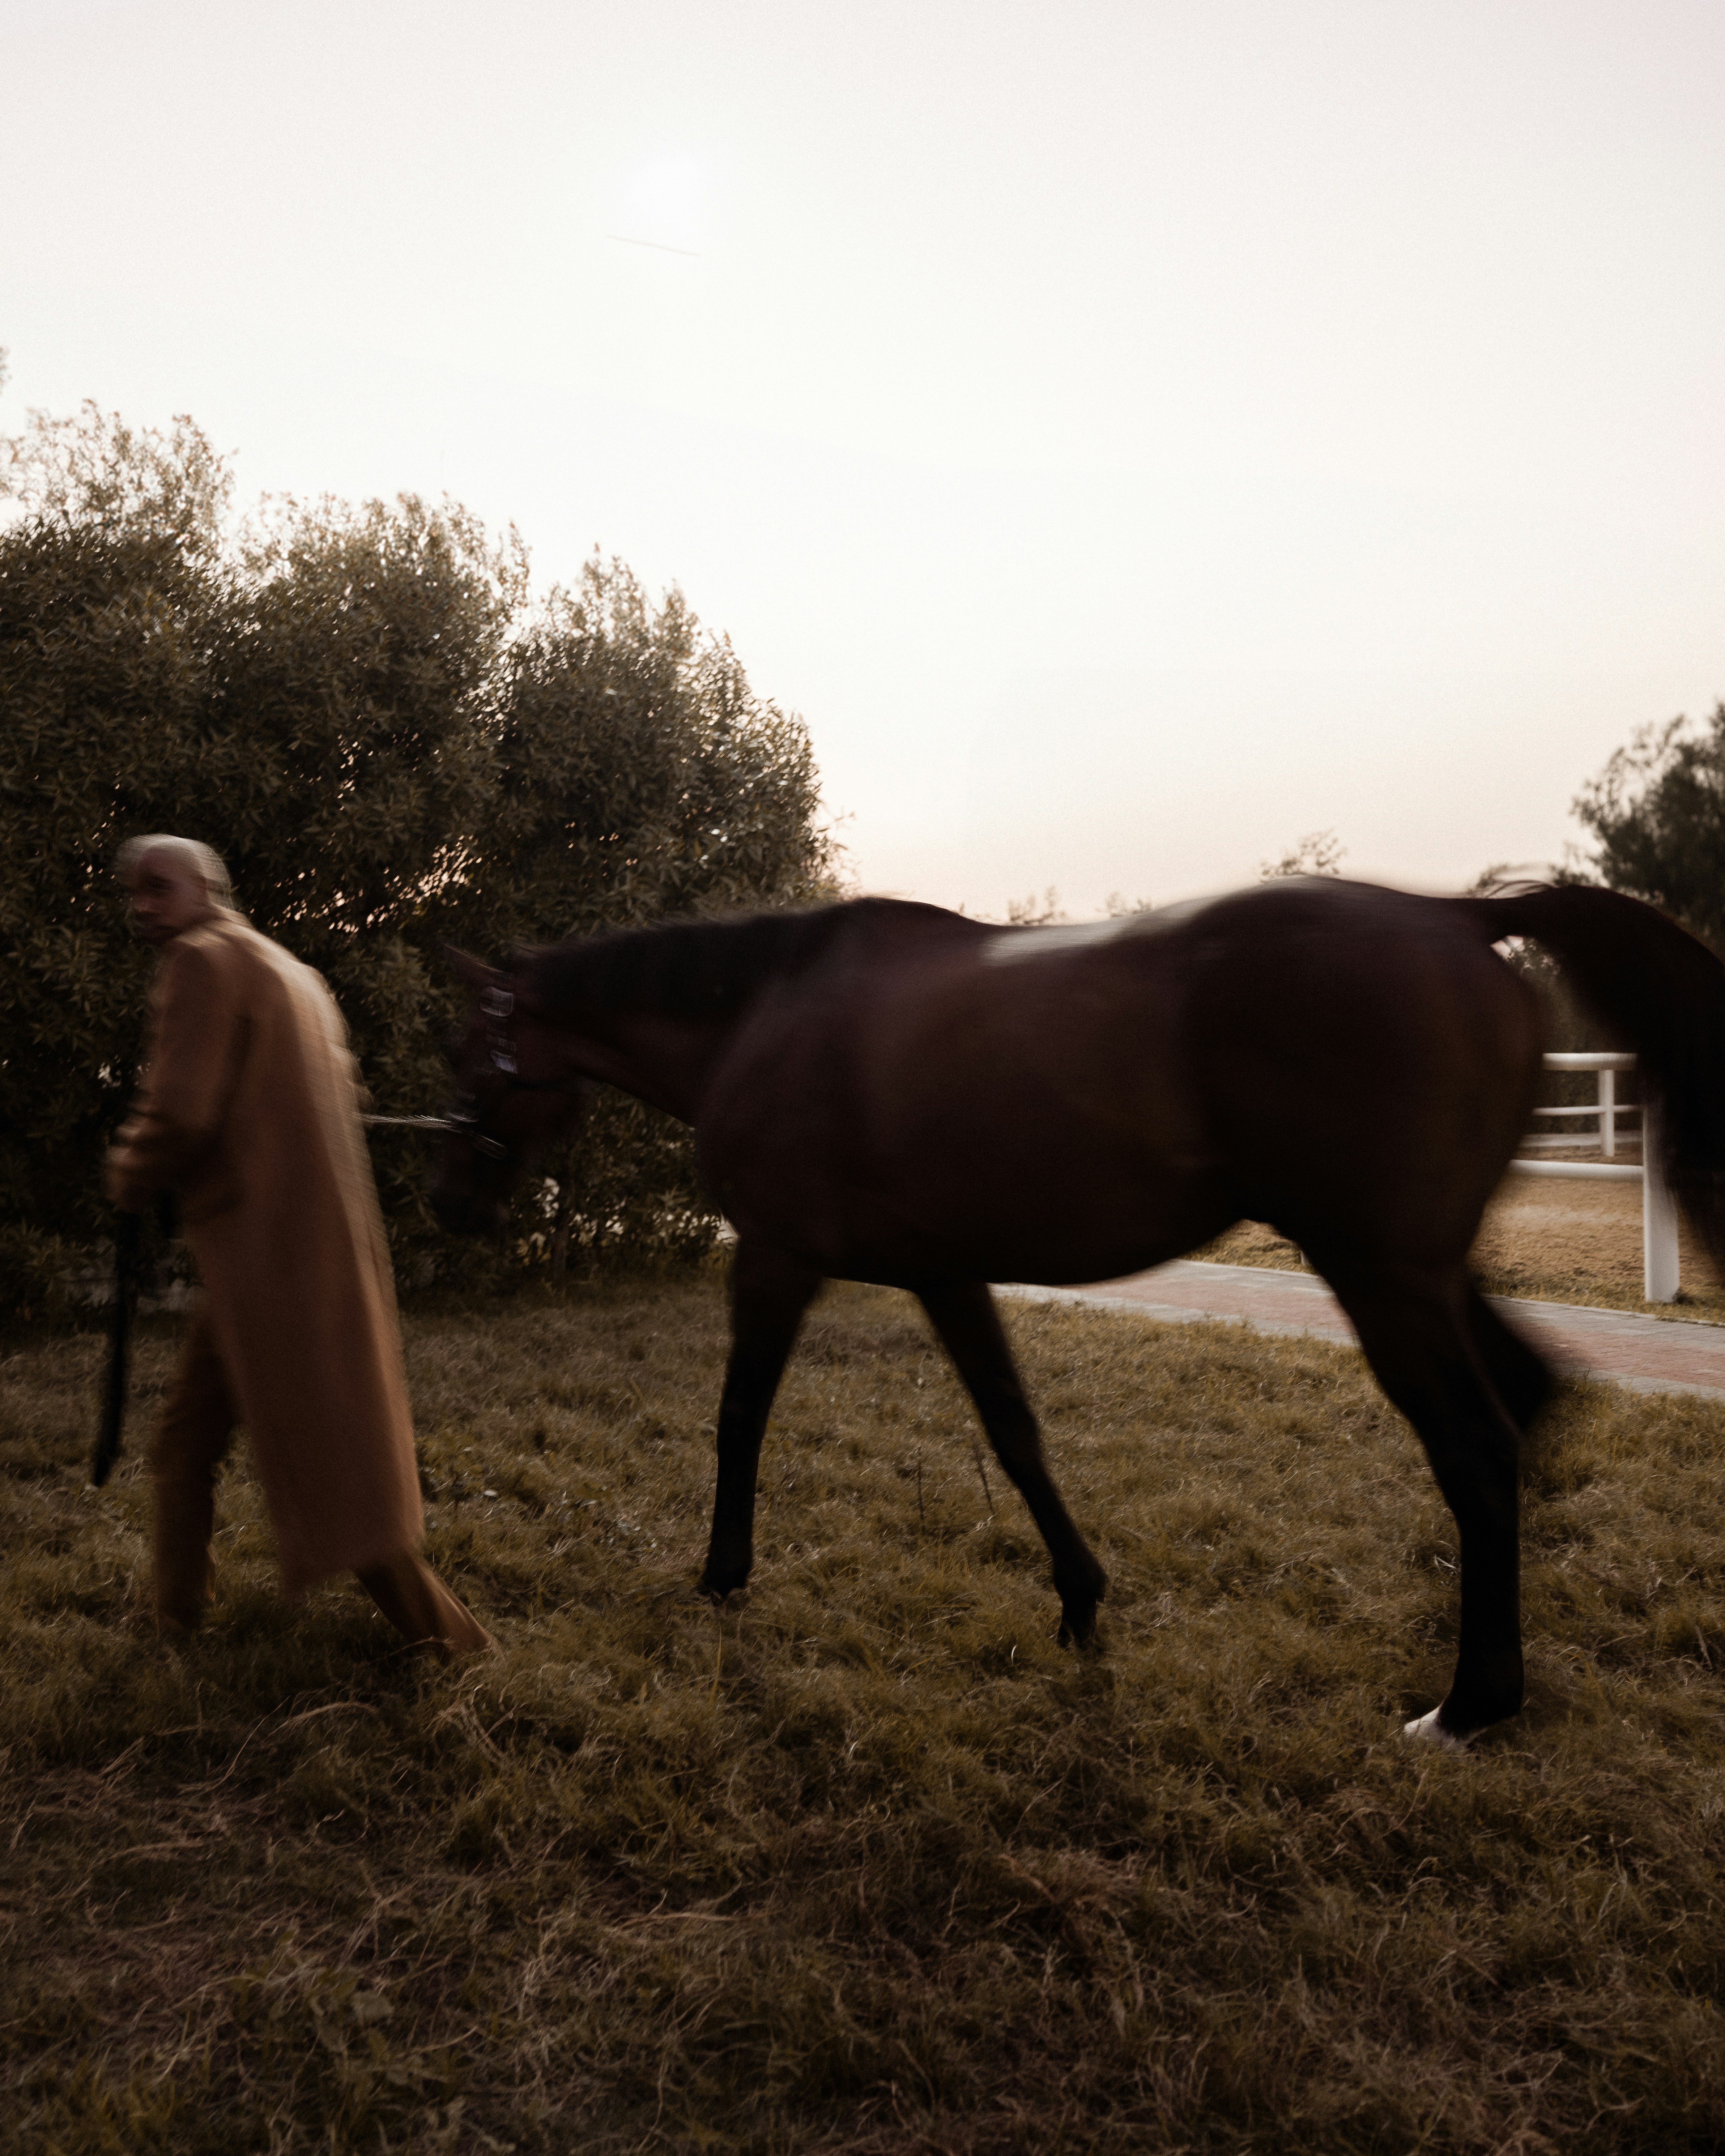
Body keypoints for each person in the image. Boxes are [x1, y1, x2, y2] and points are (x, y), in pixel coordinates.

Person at [105, 834, 493, 1662]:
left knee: (340, 1479)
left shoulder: (203, 963)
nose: (142, 905)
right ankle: (175, 1622)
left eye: (157, 887)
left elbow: (180, 1115)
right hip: (290, 1254)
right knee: (184, 1442)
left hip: (268, 1257)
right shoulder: (293, 970)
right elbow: (348, 1092)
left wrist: (129, 1170)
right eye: (132, 891)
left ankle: (457, 1649)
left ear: (206, 886)